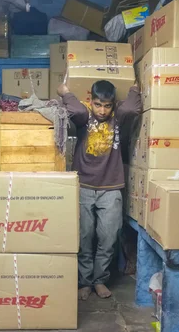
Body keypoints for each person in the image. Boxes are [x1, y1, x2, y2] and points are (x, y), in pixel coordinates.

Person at [57, 80, 141, 300]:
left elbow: (132, 108)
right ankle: (84, 282)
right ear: (90, 101)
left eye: (107, 105)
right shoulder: (84, 118)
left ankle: (99, 280)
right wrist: (66, 92)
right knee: (84, 236)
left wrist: (133, 90)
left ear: (113, 105)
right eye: (97, 104)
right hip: (83, 185)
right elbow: (74, 109)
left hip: (111, 187)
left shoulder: (118, 119)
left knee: (108, 236)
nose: (102, 111)